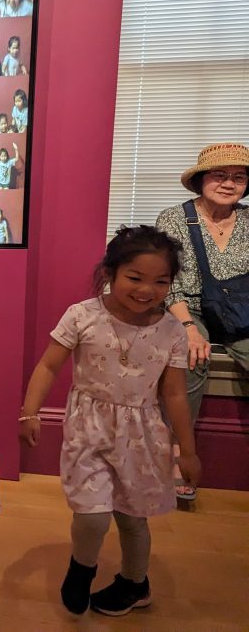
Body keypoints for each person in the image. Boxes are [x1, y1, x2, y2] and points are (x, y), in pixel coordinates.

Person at [19, 226, 200, 617]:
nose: (146, 290)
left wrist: (188, 450)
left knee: (133, 520)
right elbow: (49, 365)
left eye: (160, 281)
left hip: (143, 435)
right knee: (92, 514)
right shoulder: (82, 315)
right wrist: (29, 411)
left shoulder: (172, 330)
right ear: (110, 272)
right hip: (89, 429)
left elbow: (173, 395)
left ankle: (135, 584)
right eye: (135, 278)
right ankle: (81, 568)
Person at [154, 143, 249, 501]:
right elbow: (170, 282)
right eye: (219, 175)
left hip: (240, 310)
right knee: (190, 360)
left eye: (238, 177)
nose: (228, 183)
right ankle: (179, 453)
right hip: (187, 306)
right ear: (201, 180)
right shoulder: (174, 218)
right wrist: (190, 330)